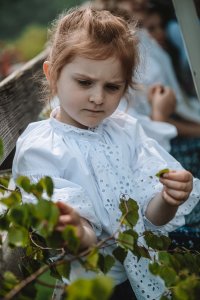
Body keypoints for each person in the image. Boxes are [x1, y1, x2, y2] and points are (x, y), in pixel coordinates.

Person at [12, 7, 200, 300]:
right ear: (52, 75)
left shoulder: (125, 130)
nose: (98, 98)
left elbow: (153, 218)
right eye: (84, 82)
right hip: (95, 287)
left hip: (143, 269)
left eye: (112, 87)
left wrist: (168, 199)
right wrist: (74, 228)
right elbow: (83, 240)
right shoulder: (42, 148)